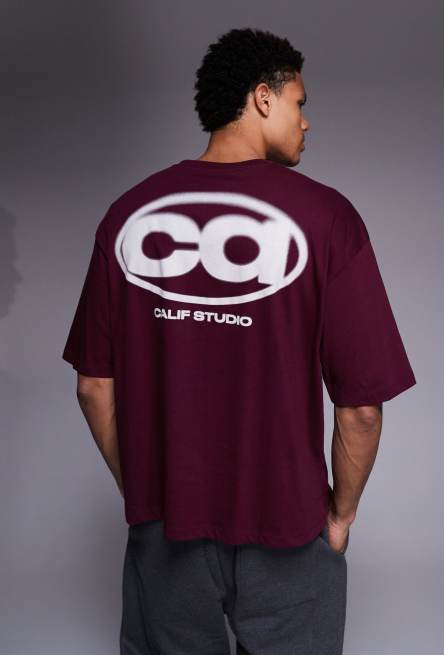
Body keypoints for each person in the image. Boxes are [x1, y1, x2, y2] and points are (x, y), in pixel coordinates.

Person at [62, 27, 416, 655]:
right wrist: (340, 516)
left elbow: (93, 386)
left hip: (166, 521)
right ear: (262, 97)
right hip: (288, 525)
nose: (306, 121)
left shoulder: (127, 214)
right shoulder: (328, 217)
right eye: (299, 103)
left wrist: (144, 488)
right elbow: (361, 407)